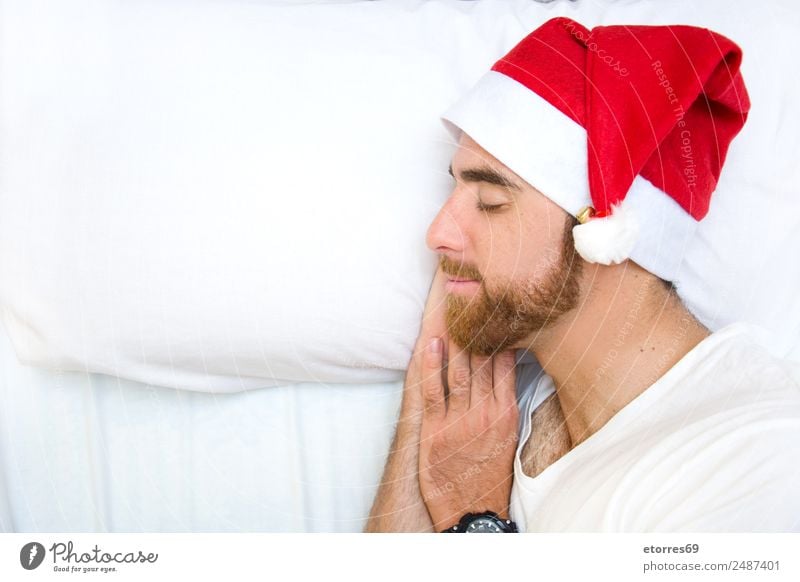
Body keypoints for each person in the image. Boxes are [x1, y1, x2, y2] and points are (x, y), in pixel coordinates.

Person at [365, 17, 800, 533]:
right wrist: (426, 392)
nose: (438, 232)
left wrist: (471, 517)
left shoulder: (755, 456)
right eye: (454, 191)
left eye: (490, 202)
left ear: (606, 236)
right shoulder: (498, 413)